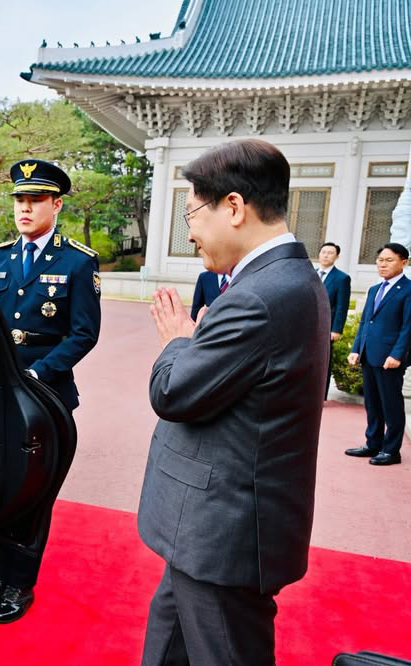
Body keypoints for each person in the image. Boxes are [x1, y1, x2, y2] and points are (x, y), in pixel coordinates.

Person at [139, 139, 328, 666]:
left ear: (235, 207)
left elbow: (173, 392)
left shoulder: (259, 296)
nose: (190, 230)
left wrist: (179, 341)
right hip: (206, 527)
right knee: (169, 648)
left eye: (193, 213)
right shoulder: (286, 280)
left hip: (223, 532)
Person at [0, 159, 101, 623]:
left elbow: (84, 333)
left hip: (44, 396)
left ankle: (19, 584)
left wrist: (39, 373)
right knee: (0, 489)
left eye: (35, 201)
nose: (25, 209)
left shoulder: (77, 261)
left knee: (33, 493)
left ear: (56, 204)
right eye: (19, 201)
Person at [345, 242, 411, 467]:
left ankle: (391, 450)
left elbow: (408, 327)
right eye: (380, 260)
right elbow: (365, 323)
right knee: (372, 403)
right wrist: (356, 349)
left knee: (391, 405)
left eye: (388, 260)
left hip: (390, 359)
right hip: (369, 355)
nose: (382, 265)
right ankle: (373, 443)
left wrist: (398, 355)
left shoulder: (408, 290)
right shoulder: (375, 289)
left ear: (404, 262)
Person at [318, 242, 351, 398]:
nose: (326, 255)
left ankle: (321, 395)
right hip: (307, 325)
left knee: (324, 361)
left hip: (326, 327)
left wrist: (336, 329)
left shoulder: (342, 278)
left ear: (337, 256)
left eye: (330, 253)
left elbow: (342, 306)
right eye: (323, 252)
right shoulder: (311, 273)